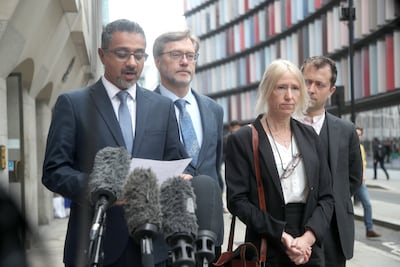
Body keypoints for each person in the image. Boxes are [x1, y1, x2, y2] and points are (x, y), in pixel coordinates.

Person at [42, 19, 184, 267]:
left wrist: (181, 179)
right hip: (94, 246)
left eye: (139, 55)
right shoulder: (73, 105)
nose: (132, 62)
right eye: (122, 54)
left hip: (152, 246)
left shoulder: (162, 107)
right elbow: (54, 171)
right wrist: (101, 190)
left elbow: (177, 161)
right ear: (102, 55)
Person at [225, 59, 334, 266]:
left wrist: (306, 240)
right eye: (281, 87)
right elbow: (237, 201)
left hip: (309, 248)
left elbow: (327, 197)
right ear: (267, 90)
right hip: (267, 243)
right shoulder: (244, 139)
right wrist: (283, 236)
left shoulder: (310, 136)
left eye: (295, 88)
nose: (289, 96)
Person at [152, 30, 225, 261]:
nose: (185, 61)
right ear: (157, 61)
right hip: (164, 233)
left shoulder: (213, 109)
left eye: (190, 55)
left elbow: (214, 166)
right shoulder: (144, 109)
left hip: (208, 234)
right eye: (176, 54)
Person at [300, 56, 362, 267]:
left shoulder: (346, 131)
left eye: (319, 84)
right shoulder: (283, 125)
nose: (311, 89)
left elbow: (354, 178)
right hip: (295, 231)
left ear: (331, 91)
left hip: (335, 232)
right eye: (307, 81)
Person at [354, 127, 381, 238]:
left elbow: (363, 163)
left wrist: (364, 175)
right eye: (356, 134)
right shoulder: (346, 146)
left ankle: (369, 229)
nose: (358, 137)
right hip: (348, 181)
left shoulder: (361, 147)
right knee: (343, 207)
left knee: (367, 204)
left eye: (360, 135)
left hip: (360, 181)